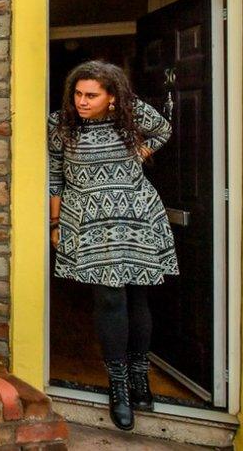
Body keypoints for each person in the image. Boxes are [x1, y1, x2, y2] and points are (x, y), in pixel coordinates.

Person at [48, 60, 178, 431]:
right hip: (87, 218)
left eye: (92, 95)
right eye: (78, 94)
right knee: (109, 297)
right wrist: (55, 223)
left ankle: (140, 376)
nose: (82, 102)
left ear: (111, 97)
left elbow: (162, 130)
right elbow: (55, 173)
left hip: (136, 213)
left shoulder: (129, 114)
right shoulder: (60, 124)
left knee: (138, 295)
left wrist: (142, 151)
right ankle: (118, 386)